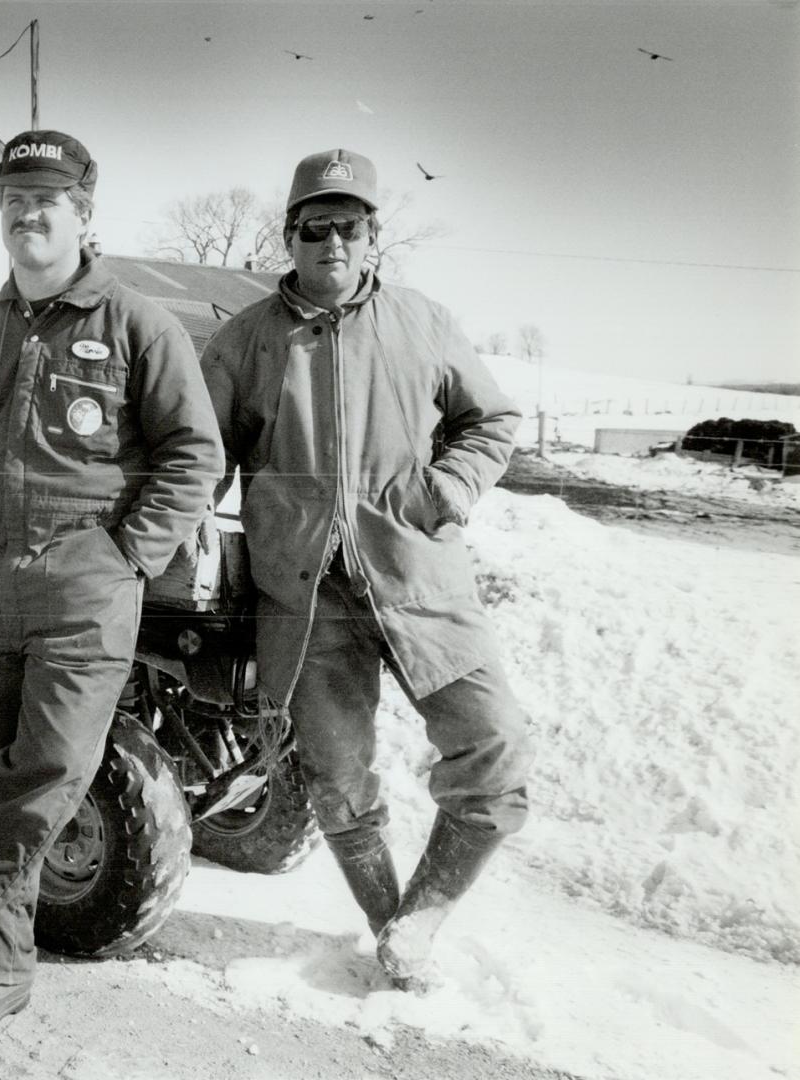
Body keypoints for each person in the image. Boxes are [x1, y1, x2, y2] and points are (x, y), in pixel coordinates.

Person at [0, 130, 224, 1053]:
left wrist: (124, 555)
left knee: (45, 774)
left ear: (83, 213)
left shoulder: (139, 324)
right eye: (13, 199)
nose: (28, 213)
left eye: (48, 198)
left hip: (83, 583)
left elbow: (194, 455)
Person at [199, 149, 534, 992]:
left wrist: (445, 488)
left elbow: (489, 419)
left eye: (350, 225)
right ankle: (394, 930)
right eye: (316, 227)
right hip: (305, 598)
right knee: (336, 780)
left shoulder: (422, 321)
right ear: (290, 236)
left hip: (417, 577)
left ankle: (420, 914)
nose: (333, 242)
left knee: (494, 750)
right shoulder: (245, 341)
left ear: (372, 236)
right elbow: (196, 458)